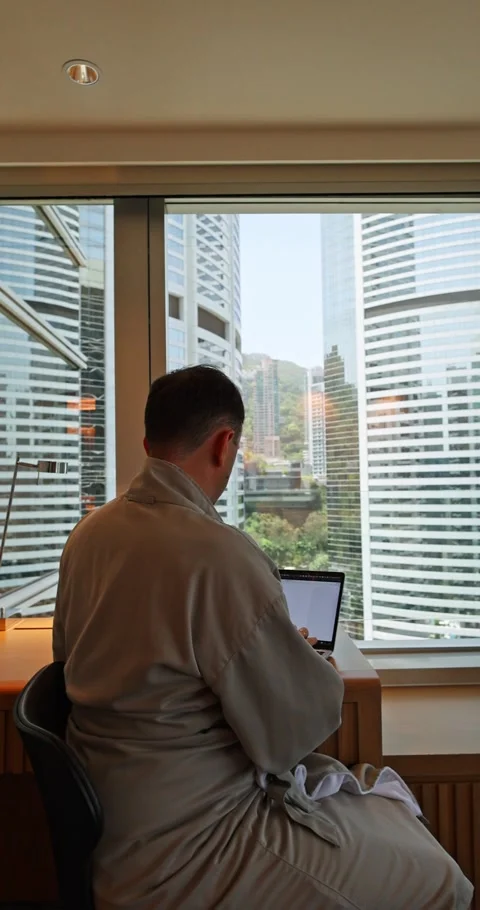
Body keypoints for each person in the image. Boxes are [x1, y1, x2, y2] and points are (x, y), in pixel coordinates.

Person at [53, 366, 473, 910]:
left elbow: (71, 663)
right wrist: (298, 657)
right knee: (441, 881)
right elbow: (293, 730)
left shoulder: (88, 536)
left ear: (148, 443)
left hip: (115, 838)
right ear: (224, 443)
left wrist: (260, 646)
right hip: (196, 847)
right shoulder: (218, 554)